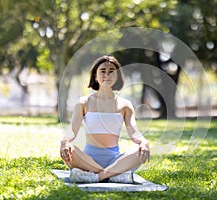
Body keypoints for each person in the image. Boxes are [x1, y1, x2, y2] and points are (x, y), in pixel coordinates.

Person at [60, 55, 150, 183]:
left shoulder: (125, 105)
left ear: (117, 76)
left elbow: (134, 132)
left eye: (111, 71)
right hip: (88, 160)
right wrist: (65, 141)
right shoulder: (83, 102)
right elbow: (73, 130)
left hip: (115, 160)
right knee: (70, 150)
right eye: (102, 71)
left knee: (139, 149)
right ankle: (114, 175)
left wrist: (144, 142)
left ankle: (97, 177)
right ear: (95, 76)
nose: (107, 74)